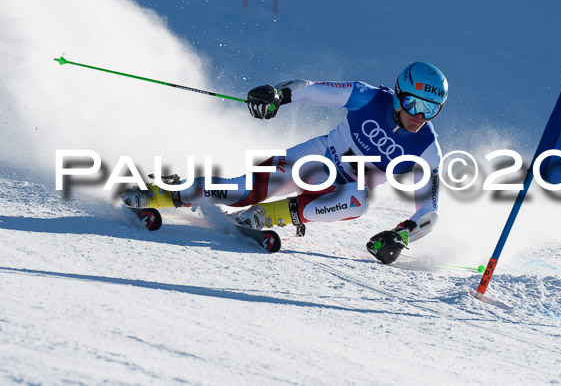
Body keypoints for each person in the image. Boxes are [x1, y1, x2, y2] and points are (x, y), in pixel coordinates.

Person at [122, 62, 447, 264]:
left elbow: (429, 211)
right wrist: (278, 95)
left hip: (343, 190)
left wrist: (401, 234)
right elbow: (310, 89)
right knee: (242, 192)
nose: (419, 115)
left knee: (359, 200)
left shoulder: (426, 148)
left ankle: (269, 215)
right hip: (316, 160)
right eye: (414, 103)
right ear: (399, 93)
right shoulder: (369, 98)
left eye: (430, 109)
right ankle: (162, 191)